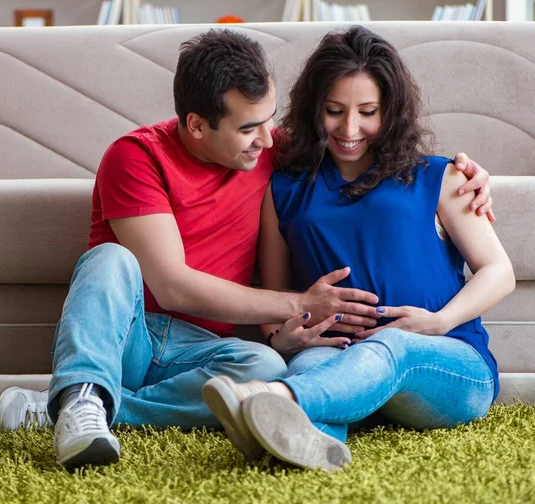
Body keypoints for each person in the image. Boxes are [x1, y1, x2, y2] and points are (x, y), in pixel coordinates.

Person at [0, 29, 493, 469]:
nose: (266, 139)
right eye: (248, 128)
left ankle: (93, 405)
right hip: (132, 334)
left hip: (206, 352)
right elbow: (172, 284)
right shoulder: (137, 157)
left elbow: (371, 154)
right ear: (196, 125)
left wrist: (466, 172)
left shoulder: (278, 152)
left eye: (268, 121)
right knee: (111, 258)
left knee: (271, 367)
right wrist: (297, 309)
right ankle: (81, 399)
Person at [202, 25, 515, 472]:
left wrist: (437, 322)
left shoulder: (439, 177)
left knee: (393, 345)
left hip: (448, 364)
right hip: (338, 358)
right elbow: (276, 301)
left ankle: (270, 399)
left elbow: (499, 271)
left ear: (392, 111)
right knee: (309, 363)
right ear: (314, 109)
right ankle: (312, 447)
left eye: (368, 111)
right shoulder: (285, 189)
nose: (349, 129)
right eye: (334, 111)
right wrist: (281, 336)